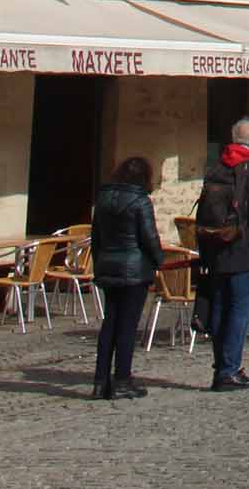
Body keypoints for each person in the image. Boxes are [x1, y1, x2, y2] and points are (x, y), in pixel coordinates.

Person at [196, 118, 249, 393]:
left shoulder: (217, 167)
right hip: (245, 251)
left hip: (218, 250)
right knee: (239, 313)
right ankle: (229, 371)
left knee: (221, 311)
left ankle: (222, 367)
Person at [90, 154, 164, 400]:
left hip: (108, 264)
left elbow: (96, 237)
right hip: (133, 269)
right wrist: (159, 260)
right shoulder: (140, 201)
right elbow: (149, 237)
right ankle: (122, 379)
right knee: (127, 326)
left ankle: (100, 381)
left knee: (110, 323)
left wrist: (99, 263)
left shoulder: (103, 198)